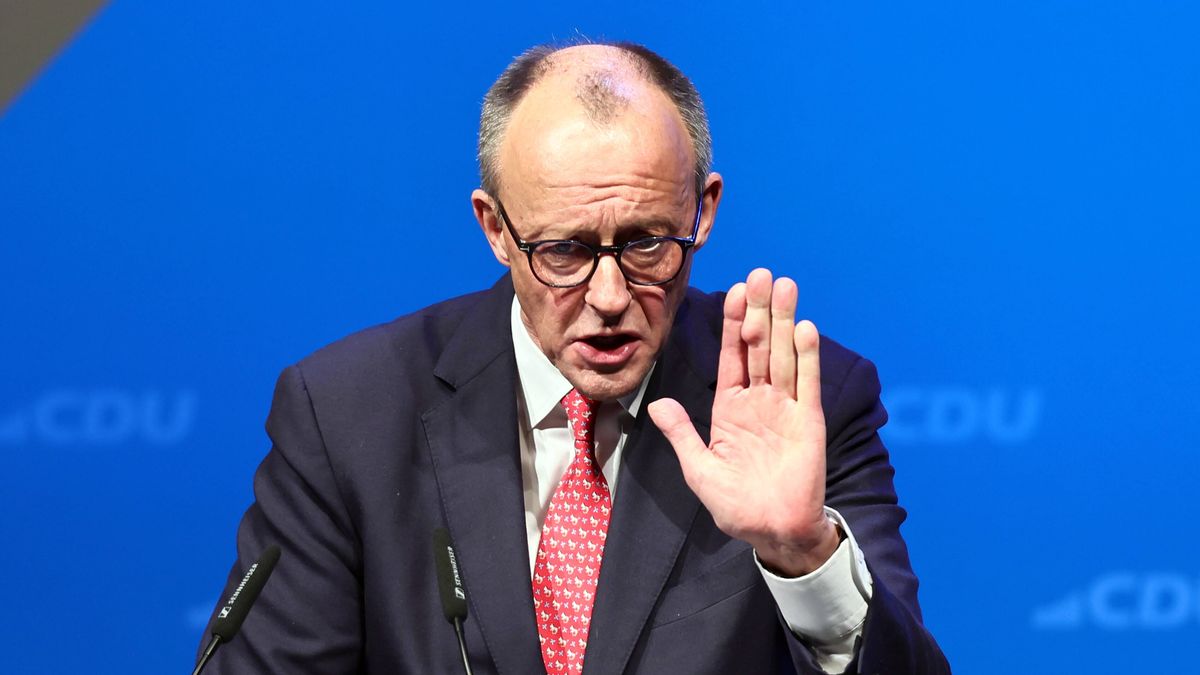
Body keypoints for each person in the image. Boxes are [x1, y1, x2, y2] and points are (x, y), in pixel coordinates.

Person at [199, 41, 949, 674]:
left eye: (647, 242)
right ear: (495, 227)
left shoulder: (802, 402)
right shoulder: (350, 412)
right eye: (564, 249)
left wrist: (803, 554)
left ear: (703, 210)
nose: (610, 294)